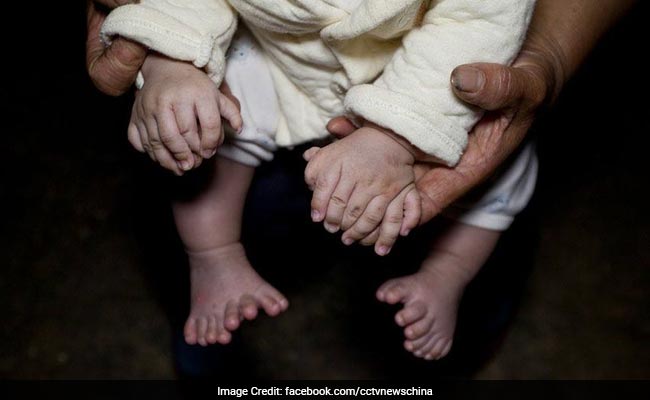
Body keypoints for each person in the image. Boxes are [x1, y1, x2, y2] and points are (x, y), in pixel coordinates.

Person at [85, 0, 638, 365]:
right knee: (202, 115)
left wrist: (397, 134)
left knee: (494, 154)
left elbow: (479, 21)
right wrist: (169, 55)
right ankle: (211, 254)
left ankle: (446, 279)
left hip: (424, 68)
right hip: (279, 54)